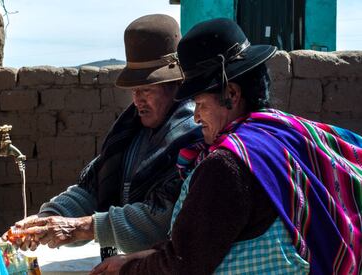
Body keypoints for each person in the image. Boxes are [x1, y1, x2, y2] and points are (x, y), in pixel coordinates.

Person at [90, 18, 362, 275]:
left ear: (231, 94)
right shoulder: (281, 133)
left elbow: (183, 265)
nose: (196, 117)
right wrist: (138, 257)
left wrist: (126, 269)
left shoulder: (227, 165)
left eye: (200, 103)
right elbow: (200, 241)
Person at [2, 14, 202, 258]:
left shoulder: (192, 141)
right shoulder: (129, 133)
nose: (137, 100)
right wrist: (48, 218)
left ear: (175, 85)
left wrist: (81, 228)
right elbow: (92, 190)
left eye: (147, 90)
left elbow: (159, 219)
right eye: (134, 90)